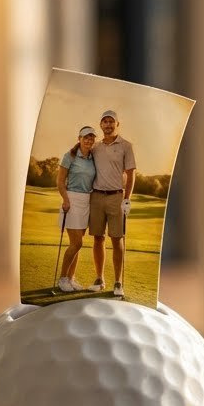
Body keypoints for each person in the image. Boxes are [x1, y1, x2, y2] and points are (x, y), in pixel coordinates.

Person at [88, 109, 136, 299]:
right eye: (105, 121)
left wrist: (127, 198)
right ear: (100, 125)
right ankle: (99, 279)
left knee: (117, 239)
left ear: (117, 124)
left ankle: (118, 282)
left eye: (111, 122)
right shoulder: (96, 147)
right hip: (97, 197)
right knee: (98, 238)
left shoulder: (126, 146)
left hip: (116, 196)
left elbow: (131, 174)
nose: (108, 125)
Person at [55, 125, 97, 292]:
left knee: (78, 245)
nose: (89, 140)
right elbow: (59, 181)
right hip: (71, 200)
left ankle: (71, 279)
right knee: (76, 243)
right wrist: (65, 199)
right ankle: (63, 279)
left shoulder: (93, 157)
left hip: (86, 201)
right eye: (86, 137)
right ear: (79, 139)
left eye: (91, 137)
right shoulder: (70, 156)